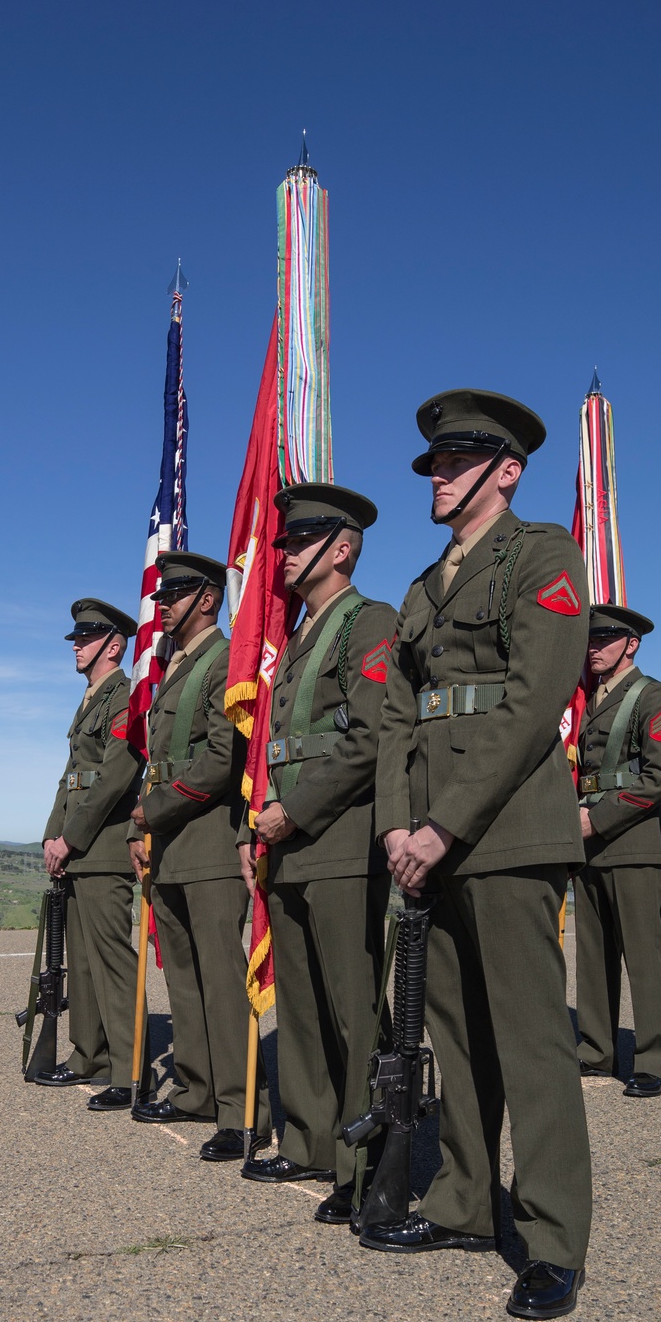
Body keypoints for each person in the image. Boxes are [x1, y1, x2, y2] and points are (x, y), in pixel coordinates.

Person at [371, 388, 593, 1321]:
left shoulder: (540, 554)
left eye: (457, 461)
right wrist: (395, 822)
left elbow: (531, 704)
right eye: (431, 463)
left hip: (502, 830)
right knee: (453, 1036)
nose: (438, 474)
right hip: (425, 836)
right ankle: (464, 1200)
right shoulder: (423, 588)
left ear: (506, 469)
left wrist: (443, 823)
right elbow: (392, 715)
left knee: (531, 1040)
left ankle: (550, 1241)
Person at [238, 483, 396, 1226]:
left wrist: (290, 814)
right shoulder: (300, 636)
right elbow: (276, 748)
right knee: (300, 1007)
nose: (286, 554)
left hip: (339, 840)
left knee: (350, 1008)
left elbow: (367, 739)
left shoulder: (369, 623)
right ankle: (306, 1138)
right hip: (287, 842)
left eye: (299, 543)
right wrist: (253, 829)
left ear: (341, 548)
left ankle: (365, 1163)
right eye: (285, 543)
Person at [128, 552, 271, 1159]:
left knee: (218, 978)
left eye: (175, 595)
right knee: (182, 978)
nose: (161, 606)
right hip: (172, 848)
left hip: (210, 841)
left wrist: (150, 813)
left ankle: (242, 1112)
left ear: (207, 600)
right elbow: (159, 760)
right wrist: (144, 824)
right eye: (161, 596)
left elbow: (221, 761)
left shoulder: (222, 663)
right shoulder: (176, 666)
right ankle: (196, 1090)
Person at [573, 604, 661, 1095]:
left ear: (631, 644)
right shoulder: (589, 699)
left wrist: (596, 819)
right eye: (590, 640)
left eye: (605, 640)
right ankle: (596, 1051)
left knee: (642, 957)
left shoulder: (652, 696)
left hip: (633, 841)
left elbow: (660, 777)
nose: (593, 648)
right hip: (585, 841)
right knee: (593, 956)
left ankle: (653, 1059)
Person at [37, 599, 145, 1106]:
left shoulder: (122, 696)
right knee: (79, 962)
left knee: (110, 960)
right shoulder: (89, 701)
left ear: (114, 646)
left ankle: (126, 1071)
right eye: (76, 639)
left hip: (102, 846)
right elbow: (71, 777)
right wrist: (50, 834)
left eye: (86, 638)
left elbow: (114, 776)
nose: (76, 646)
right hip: (78, 847)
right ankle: (90, 1056)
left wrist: (71, 838)